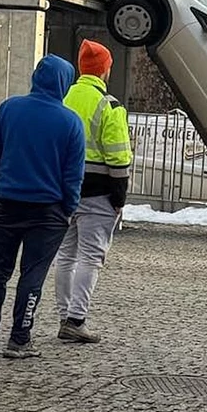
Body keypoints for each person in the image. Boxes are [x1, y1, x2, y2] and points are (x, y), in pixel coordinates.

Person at [0, 54, 85, 359]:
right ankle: (19, 338)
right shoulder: (70, 122)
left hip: (7, 205)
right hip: (48, 212)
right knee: (32, 275)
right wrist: (68, 208)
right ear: (64, 83)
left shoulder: (9, 109)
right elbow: (73, 175)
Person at [52, 39, 133, 343]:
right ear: (104, 71)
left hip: (63, 190)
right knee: (90, 257)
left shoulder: (63, 97)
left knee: (65, 255)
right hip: (98, 193)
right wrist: (119, 196)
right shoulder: (109, 106)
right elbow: (118, 156)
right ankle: (76, 319)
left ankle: (63, 317)